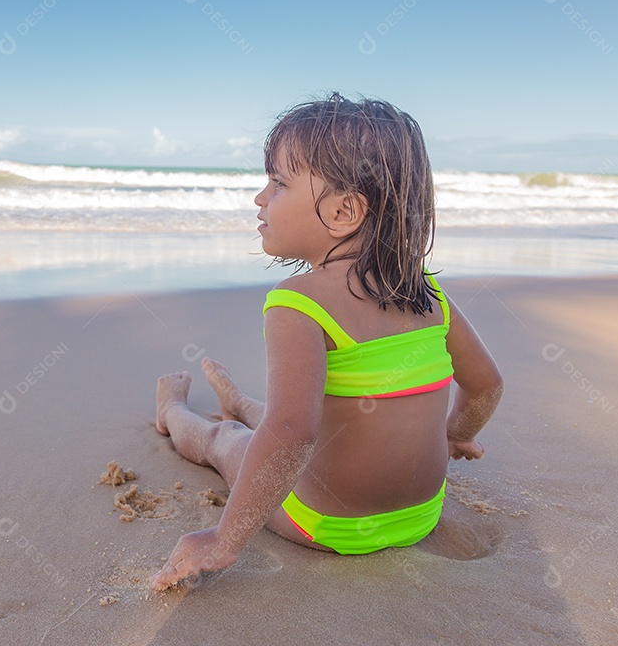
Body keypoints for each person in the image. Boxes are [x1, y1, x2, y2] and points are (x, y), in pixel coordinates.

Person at [150, 93, 503, 591]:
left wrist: (224, 540)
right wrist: (455, 434)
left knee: (225, 441)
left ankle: (172, 413)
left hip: (324, 524)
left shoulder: (297, 302)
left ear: (343, 211)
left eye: (277, 183)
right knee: (286, 416)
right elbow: (486, 384)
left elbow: (293, 432)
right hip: (420, 516)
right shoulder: (430, 295)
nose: (259, 198)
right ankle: (243, 404)